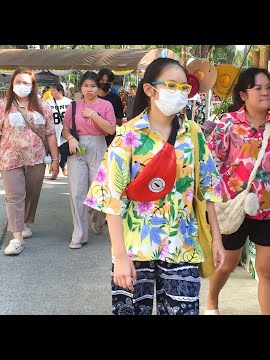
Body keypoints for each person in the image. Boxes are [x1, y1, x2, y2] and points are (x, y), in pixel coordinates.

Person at [84, 57, 225, 315]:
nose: (180, 93)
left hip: (182, 247)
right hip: (135, 250)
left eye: (184, 88)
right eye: (172, 85)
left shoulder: (193, 134)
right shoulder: (128, 136)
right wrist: (120, 257)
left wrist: (217, 238)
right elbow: (111, 199)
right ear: (150, 90)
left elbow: (208, 189)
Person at [206, 67, 270, 315]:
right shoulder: (228, 124)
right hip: (233, 205)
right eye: (258, 88)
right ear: (244, 95)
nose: (265, 92)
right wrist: (210, 204)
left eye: (268, 87)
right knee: (227, 263)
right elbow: (210, 165)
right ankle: (212, 302)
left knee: (268, 270)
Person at [0, 67, 59, 256]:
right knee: (15, 195)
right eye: (18, 82)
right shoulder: (3, 106)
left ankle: (22, 222)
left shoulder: (44, 107)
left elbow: (50, 134)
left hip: (36, 158)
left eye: (26, 82)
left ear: (33, 86)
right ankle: (17, 238)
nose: (21, 86)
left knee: (32, 194)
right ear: (12, 84)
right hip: (10, 157)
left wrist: (56, 159)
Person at [62, 71, 116, 249]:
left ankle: (97, 219)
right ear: (81, 87)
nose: (89, 89)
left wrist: (93, 115)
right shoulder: (74, 106)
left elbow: (111, 129)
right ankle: (79, 234)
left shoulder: (106, 105)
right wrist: (70, 138)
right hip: (77, 147)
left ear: (98, 87)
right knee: (77, 191)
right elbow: (66, 129)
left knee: (99, 189)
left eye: (93, 86)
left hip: (99, 146)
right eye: (86, 85)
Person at [46, 82, 72, 178]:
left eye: (54, 90)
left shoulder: (69, 102)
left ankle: (63, 165)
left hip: (65, 131)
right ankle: (54, 172)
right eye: (51, 90)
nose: (52, 92)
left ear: (60, 91)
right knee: (53, 152)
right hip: (53, 130)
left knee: (65, 152)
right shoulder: (48, 102)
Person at [97, 68, 124, 147]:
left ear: (111, 83)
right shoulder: (91, 98)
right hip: (94, 138)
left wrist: (106, 119)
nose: (105, 83)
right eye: (102, 80)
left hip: (110, 139)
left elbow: (119, 121)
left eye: (108, 81)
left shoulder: (115, 99)